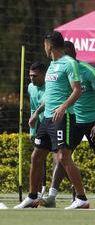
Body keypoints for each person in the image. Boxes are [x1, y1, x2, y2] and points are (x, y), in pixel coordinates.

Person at [38, 41, 95, 208]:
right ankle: (52, 196)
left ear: (74, 55)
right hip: (74, 121)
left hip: (93, 122)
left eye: (68, 55)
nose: (65, 58)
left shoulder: (89, 71)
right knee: (63, 157)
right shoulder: (61, 69)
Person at [14, 31, 89, 209]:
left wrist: (63, 108)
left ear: (50, 45)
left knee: (63, 157)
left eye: (44, 45)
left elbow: (77, 90)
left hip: (62, 118)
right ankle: (33, 197)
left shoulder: (69, 63)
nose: (44, 48)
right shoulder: (52, 64)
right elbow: (50, 95)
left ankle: (82, 199)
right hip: (46, 119)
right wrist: (36, 114)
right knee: (36, 156)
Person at [28, 61, 47, 197]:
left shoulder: (50, 86)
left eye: (35, 76)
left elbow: (46, 103)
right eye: (30, 76)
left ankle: (78, 195)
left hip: (55, 123)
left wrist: (35, 114)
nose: (32, 79)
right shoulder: (30, 87)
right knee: (37, 158)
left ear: (43, 75)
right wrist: (32, 131)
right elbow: (33, 109)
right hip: (42, 128)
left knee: (61, 159)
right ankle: (36, 193)